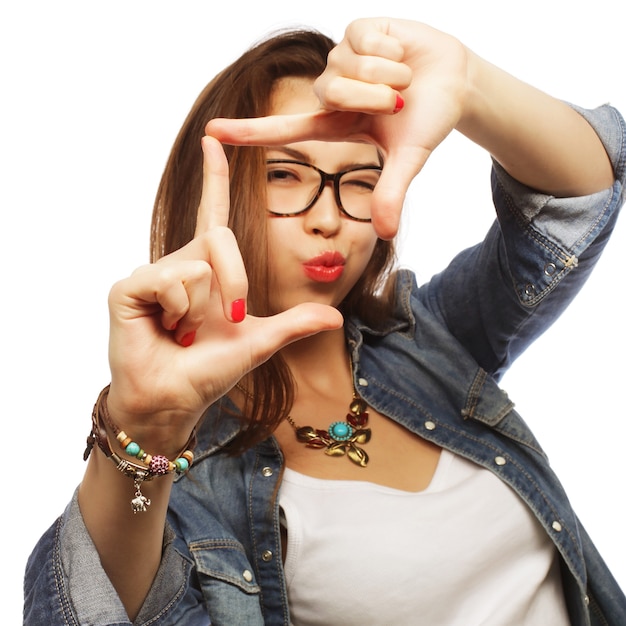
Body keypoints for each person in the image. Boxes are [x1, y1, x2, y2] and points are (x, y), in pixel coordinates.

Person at [23, 16, 625, 626]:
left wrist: (469, 84)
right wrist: (147, 427)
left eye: (359, 179)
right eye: (284, 174)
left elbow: (577, 201)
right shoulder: (186, 472)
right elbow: (89, 610)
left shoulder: (432, 335)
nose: (328, 218)